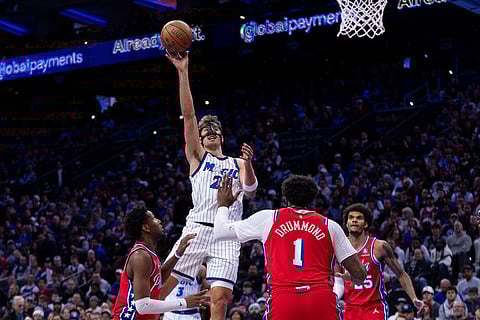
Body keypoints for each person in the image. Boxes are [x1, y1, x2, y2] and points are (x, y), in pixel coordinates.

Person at [164, 50, 258, 320]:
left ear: (222, 136)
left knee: (220, 298)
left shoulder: (238, 163)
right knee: (163, 289)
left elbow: (251, 192)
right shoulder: (197, 158)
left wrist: (249, 164)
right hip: (196, 230)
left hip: (227, 234)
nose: (210, 133)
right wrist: (183, 71)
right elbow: (189, 114)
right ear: (201, 141)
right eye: (206, 132)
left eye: (215, 130)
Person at [213, 174, 367, 320]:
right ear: (312, 200)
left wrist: (223, 206)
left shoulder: (269, 218)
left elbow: (220, 232)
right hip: (320, 297)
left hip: (284, 297)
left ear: (285, 198)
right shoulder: (330, 225)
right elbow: (359, 274)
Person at [112, 205, 210, 320]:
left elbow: (159, 280)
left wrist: (177, 254)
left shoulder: (148, 253)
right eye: (153, 218)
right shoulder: (140, 256)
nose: (158, 220)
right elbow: (143, 306)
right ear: (146, 227)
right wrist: (184, 302)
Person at [334, 203, 424, 320]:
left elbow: (401, 274)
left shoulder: (379, 246)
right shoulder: (338, 247)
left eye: (359, 218)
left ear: (366, 224)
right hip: (350, 308)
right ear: (346, 224)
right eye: (351, 218)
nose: (354, 220)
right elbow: (337, 279)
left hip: (374, 307)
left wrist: (414, 298)